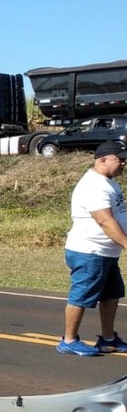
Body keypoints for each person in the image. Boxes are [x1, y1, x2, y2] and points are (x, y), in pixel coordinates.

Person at [58, 140, 127, 356]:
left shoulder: (108, 182)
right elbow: (105, 221)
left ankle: (108, 339)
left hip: (106, 252)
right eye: (120, 159)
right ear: (102, 160)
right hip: (90, 251)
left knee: (111, 295)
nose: (124, 163)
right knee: (81, 295)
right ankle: (69, 340)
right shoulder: (94, 186)